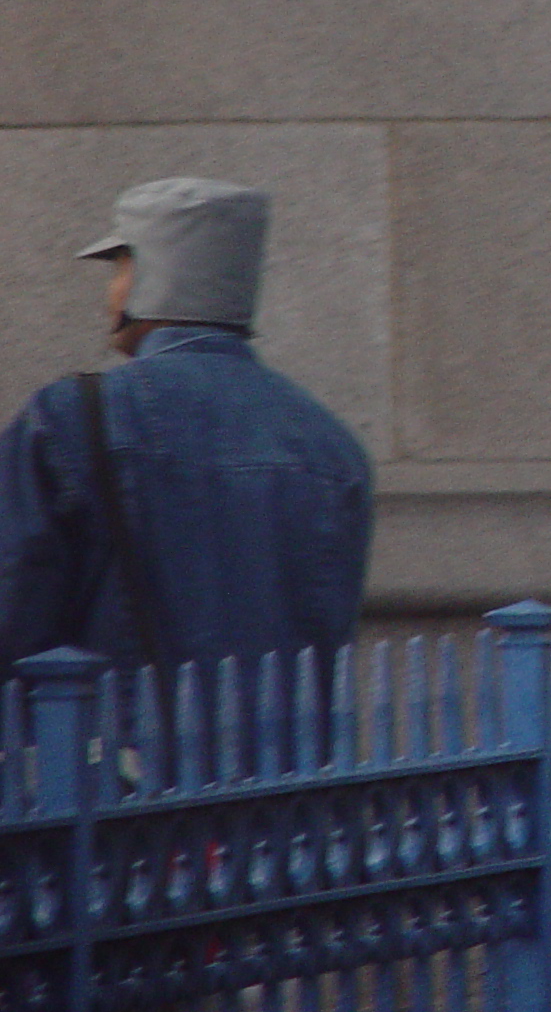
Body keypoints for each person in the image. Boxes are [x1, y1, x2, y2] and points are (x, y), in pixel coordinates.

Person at [0, 177, 373, 676]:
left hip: (111, 746)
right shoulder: (332, 446)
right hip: (286, 751)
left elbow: (14, 605)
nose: (112, 291)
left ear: (147, 278)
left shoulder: (72, 417)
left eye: (120, 267)